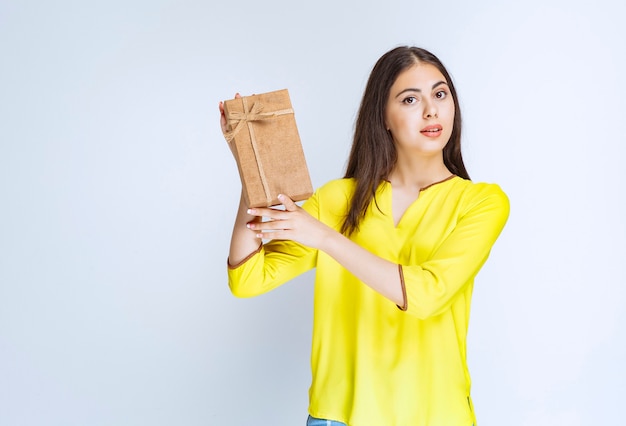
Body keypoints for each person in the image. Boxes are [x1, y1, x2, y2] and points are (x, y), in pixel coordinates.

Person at [219, 46, 509, 426]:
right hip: (338, 416)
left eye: (440, 94)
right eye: (410, 99)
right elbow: (248, 279)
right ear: (383, 117)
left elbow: (427, 295)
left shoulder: (481, 202)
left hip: (435, 416)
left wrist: (326, 239)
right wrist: (250, 165)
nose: (431, 111)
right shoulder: (338, 199)